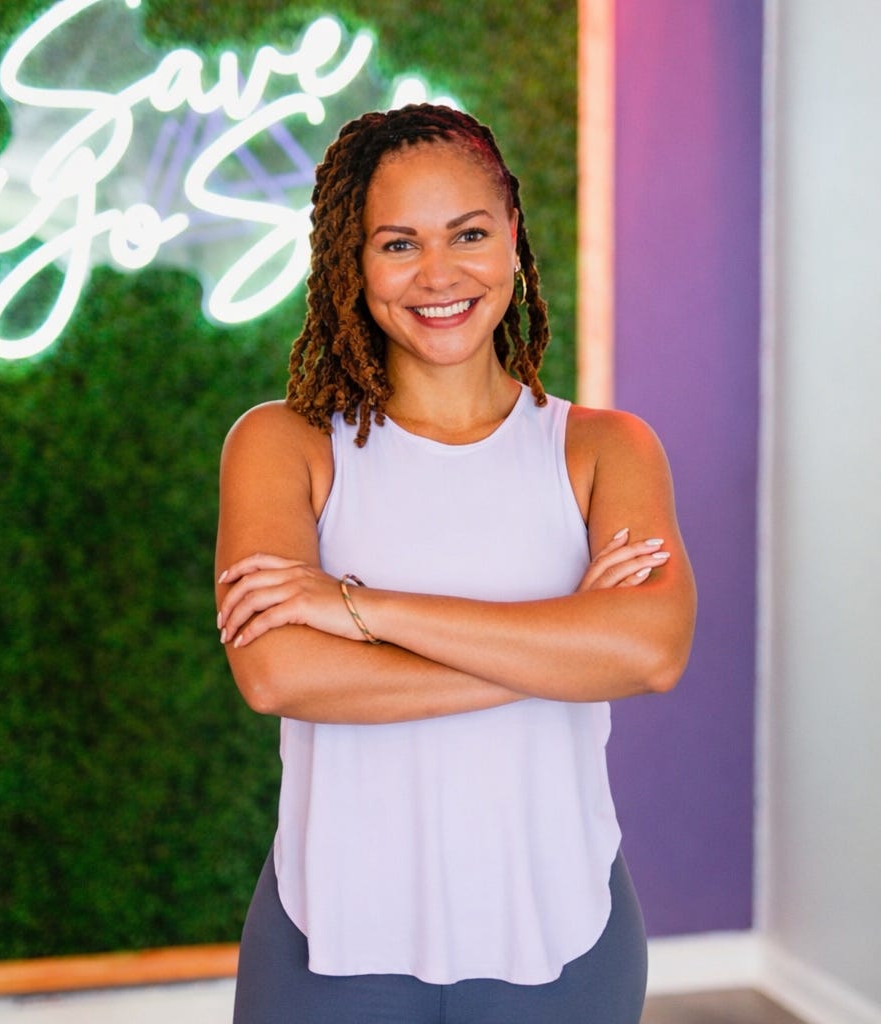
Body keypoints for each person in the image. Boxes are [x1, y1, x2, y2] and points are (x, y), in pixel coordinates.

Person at [215, 103, 696, 1024]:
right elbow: (278, 672)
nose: (438, 274)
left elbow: (651, 653)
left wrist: (357, 607)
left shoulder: (607, 448)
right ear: (352, 262)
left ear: (512, 235)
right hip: (328, 938)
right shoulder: (283, 443)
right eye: (398, 244)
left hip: (564, 934)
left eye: (468, 233)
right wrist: (560, 649)